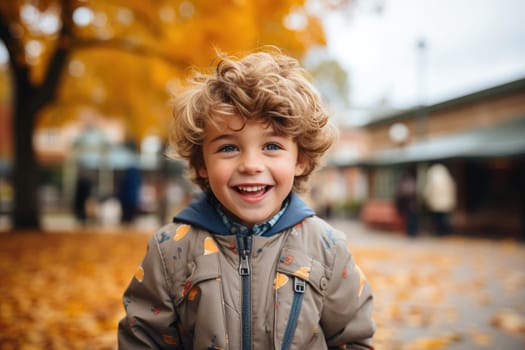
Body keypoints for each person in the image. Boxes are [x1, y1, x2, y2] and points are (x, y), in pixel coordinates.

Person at [118, 48, 375, 349]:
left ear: (300, 159)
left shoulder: (327, 250)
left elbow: (353, 339)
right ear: (202, 162)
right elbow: (144, 339)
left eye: (271, 146)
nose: (251, 165)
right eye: (228, 148)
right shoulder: (170, 251)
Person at [423, 163, 457, 236]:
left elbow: (429, 189)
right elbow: (452, 189)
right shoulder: (447, 177)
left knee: (437, 219)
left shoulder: (432, 176)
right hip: (445, 203)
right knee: (444, 219)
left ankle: (439, 232)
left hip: (435, 202)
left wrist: (426, 198)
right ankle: (443, 232)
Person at [394, 169, 419, 237]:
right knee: (411, 218)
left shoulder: (404, 182)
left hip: (409, 204)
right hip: (411, 204)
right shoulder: (411, 181)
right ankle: (412, 232)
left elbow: (402, 192)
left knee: (411, 218)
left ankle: (411, 232)